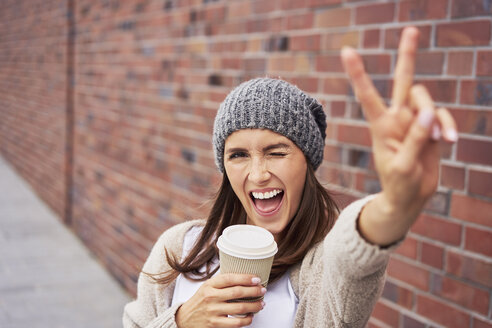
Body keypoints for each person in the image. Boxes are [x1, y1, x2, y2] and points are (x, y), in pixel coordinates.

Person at [123, 26, 457, 328]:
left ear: (307, 163)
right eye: (238, 155)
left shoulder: (322, 266)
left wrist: (394, 207)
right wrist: (181, 321)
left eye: (277, 152)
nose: (258, 174)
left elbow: (352, 259)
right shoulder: (181, 246)